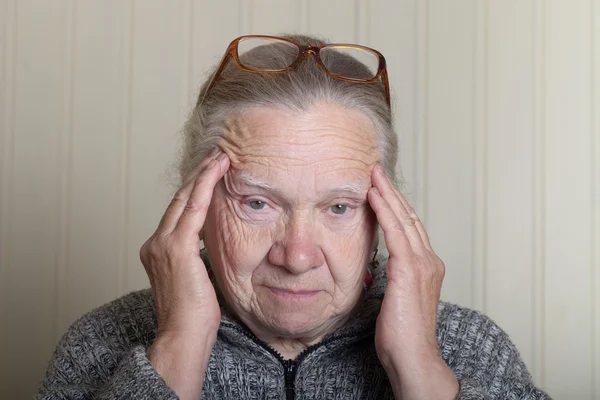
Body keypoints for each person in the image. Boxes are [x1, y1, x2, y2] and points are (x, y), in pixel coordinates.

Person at [34, 34, 551, 400]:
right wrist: (176, 351)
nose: (298, 257)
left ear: (384, 215)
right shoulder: (103, 341)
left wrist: (420, 369)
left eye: (339, 207)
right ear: (195, 205)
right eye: (257, 203)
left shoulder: (468, 346)